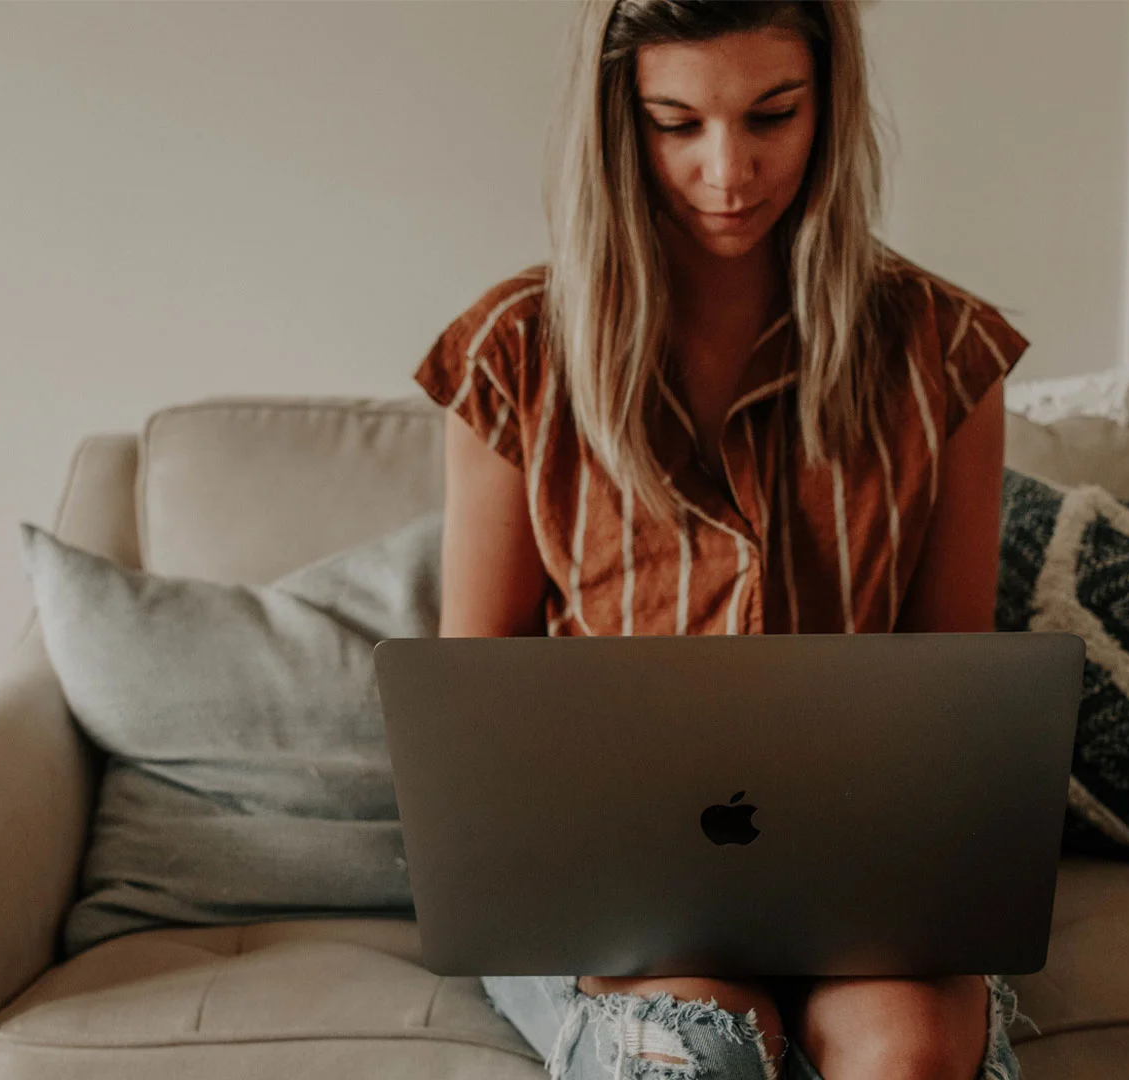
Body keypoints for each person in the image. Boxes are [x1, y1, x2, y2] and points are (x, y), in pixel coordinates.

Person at [413, 2, 1028, 1077]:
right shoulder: (513, 354)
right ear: (617, 124)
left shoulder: (945, 353)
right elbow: (477, 715)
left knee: (908, 1049)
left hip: (860, 872)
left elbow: (953, 708)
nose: (728, 170)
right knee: (699, 1051)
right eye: (676, 123)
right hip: (598, 882)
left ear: (830, 105)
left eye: (771, 116)